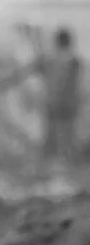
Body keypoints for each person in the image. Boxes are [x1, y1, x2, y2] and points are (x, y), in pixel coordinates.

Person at [35, 27, 82, 162]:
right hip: (68, 103)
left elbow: (39, 73)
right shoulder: (75, 61)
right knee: (68, 135)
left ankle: (49, 160)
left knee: (51, 135)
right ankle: (68, 160)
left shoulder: (49, 59)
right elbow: (76, 85)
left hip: (53, 102)